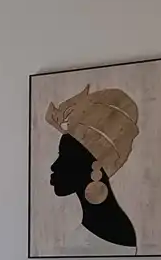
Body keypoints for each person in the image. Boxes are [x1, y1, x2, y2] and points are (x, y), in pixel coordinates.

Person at [45, 84, 140, 248]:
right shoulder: (92, 231)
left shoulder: (112, 234)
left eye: (65, 157)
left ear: (95, 166)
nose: (54, 166)